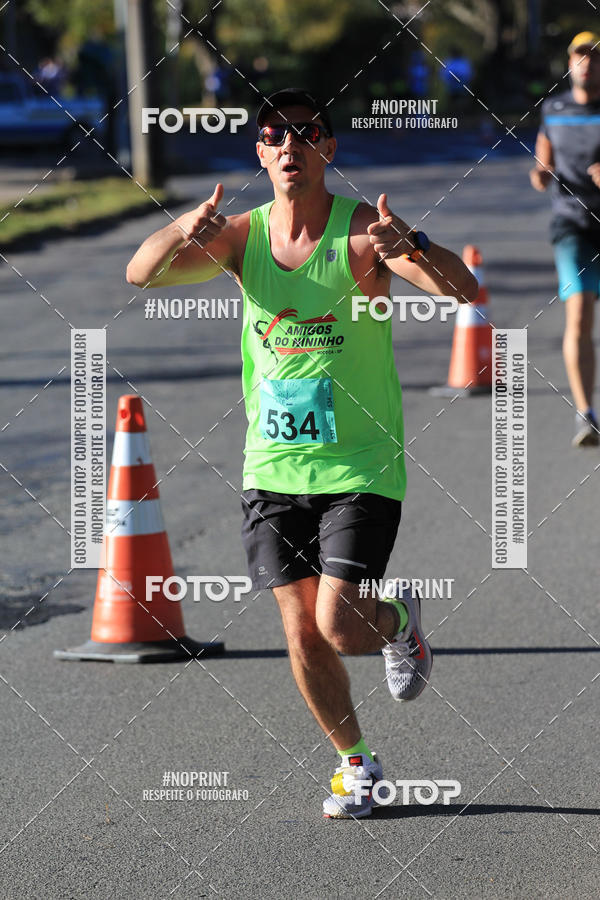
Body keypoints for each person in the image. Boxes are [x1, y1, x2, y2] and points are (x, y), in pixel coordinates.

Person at [127, 88, 477, 818]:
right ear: (260, 152)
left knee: (340, 624)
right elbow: (142, 275)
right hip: (272, 468)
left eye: (305, 132)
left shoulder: (360, 236)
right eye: (274, 134)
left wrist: (408, 244)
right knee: (299, 628)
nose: (290, 144)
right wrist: (181, 226)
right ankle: (357, 765)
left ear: (327, 149)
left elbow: (464, 291)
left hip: (360, 465)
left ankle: (399, 624)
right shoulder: (239, 237)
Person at [531, 32, 600, 447]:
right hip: (571, 223)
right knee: (580, 315)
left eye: (594, 56)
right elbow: (543, 162)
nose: (587, 63)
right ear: (570, 62)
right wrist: (539, 174)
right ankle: (586, 414)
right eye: (580, 56)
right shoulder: (553, 109)